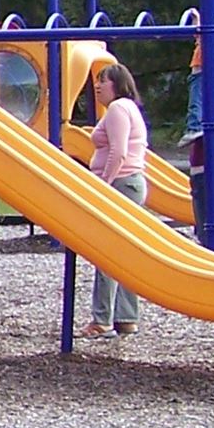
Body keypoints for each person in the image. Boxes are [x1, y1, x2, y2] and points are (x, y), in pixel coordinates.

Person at [81, 60, 150, 338]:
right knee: (124, 251)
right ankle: (125, 317)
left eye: (104, 80)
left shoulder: (119, 108)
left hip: (120, 184)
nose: (97, 86)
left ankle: (102, 320)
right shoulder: (127, 108)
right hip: (129, 183)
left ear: (118, 85)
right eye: (97, 80)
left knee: (107, 252)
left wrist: (103, 185)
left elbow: (119, 152)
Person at [184, 25, 214, 237]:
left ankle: (213, 252)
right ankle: (208, 248)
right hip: (198, 175)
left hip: (208, 174)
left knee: (208, 228)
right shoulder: (203, 44)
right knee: (202, 227)